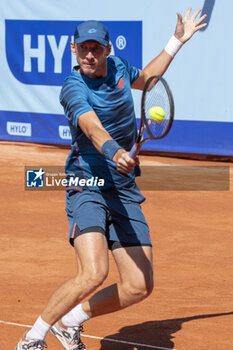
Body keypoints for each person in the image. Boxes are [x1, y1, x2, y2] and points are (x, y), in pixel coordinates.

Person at [15, 8, 207, 350]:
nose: (91, 55)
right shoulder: (72, 88)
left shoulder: (118, 68)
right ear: (73, 50)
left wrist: (176, 41)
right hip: (86, 185)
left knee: (139, 285)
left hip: (124, 189)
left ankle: (69, 322)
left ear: (107, 50)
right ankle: (33, 337)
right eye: (84, 48)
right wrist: (114, 152)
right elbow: (91, 127)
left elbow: (147, 79)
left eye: (97, 48)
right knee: (94, 272)